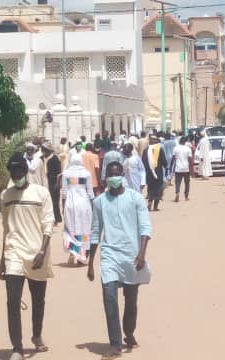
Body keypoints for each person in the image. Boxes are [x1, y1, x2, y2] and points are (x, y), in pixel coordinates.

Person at [87, 162, 153, 360]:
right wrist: (90, 263)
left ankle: (129, 332)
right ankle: (115, 344)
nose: (114, 177)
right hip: (109, 255)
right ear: (106, 177)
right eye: (110, 174)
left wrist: (141, 254)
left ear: (122, 175)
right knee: (109, 296)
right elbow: (95, 231)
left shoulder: (135, 198)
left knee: (131, 301)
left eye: (117, 174)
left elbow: (145, 228)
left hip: (131, 256)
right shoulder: (99, 201)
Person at [0, 152, 54, 358]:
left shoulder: (41, 193)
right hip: (14, 252)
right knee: (12, 300)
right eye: (12, 171)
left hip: (37, 253)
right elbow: (6, 228)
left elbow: (48, 224)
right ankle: (17, 347)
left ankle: (36, 336)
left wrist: (41, 251)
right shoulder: (6, 196)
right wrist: (2, 259)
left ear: (25, 171)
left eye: (19, 170)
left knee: (38, 299)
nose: (16, 174)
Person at [61, 155, 95, 266]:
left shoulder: (65, 173)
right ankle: (81, 254)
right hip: (83, 203)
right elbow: (90, 192)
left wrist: (63, 207)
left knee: (70, 227)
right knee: (83, 228)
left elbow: (64, 193)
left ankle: (72, 251)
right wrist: (93, 207)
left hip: (70, 202)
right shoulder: (87, 173)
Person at [142, 135, 168, 211]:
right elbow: (164, 161)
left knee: (150, 188)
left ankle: (150, 201)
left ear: (150, 142)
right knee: (158, 188)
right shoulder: (159, 149)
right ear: (156, 142)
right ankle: (155, 206)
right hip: (158, 173)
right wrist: (166, 166)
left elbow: (143, 161)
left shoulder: (146, 150)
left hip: (149, 173)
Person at [43, 145, 63, 225]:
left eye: (45, 150)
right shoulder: (42, 158)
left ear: (49, 151)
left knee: (54, 202)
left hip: (54, 183)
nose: (43, 152)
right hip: (45, 182)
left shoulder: (55, 159)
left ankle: (56, 219)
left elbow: (59, 173)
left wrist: (57, 183)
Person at [171, 136, 194, 202]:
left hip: (178, 168)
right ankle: (186, 196)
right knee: (187, 183)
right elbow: (190, 160)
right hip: (186, 168)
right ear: (185, 142)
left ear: (179, 141)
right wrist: (192, 170)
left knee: (177, 182)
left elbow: (173, 158)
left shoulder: (176, 148)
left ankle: (177, 193)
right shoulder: (188, 149)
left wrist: (171, 167)